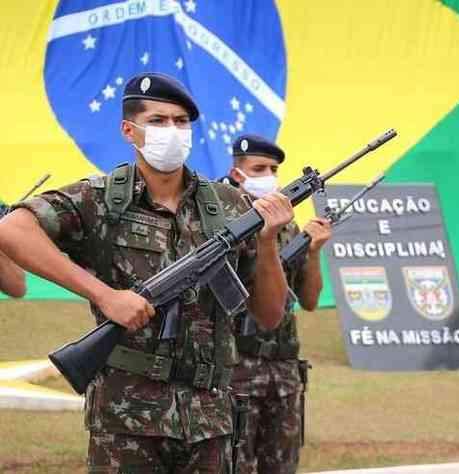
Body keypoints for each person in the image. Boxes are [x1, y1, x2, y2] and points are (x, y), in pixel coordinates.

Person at [0, 72, 294, 472]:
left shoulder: (229, 204)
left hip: (210, 420)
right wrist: (103, 295)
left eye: (180, 122)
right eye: (158, 121)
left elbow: (270, 315)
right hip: (127, 419)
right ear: (129, 130)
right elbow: (13, 229)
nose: (172, 131)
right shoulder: (100, 198)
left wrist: (267, 241)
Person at [224, 134, 332, 474]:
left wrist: (313, 251)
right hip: (236, 370)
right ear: (237, 174)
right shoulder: (223, 225)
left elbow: (311, 300)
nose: (269, 175)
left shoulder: (287, 228)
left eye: (273, 169)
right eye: (259, 168)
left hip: (283, 372)